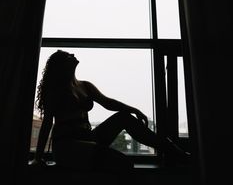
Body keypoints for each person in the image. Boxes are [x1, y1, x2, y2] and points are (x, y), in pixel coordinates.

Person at [31, 49, 190, 171]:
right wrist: (38, 158)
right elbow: (46, 123)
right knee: (122, 162)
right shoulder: (56, 90)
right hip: (67, 146)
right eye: (67, 56)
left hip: (88, 138)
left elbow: (108, 103)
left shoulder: (85, 85)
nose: (72, 54)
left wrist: (134, 110)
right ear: (60, 66)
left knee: (123, 117)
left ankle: (177, 154)